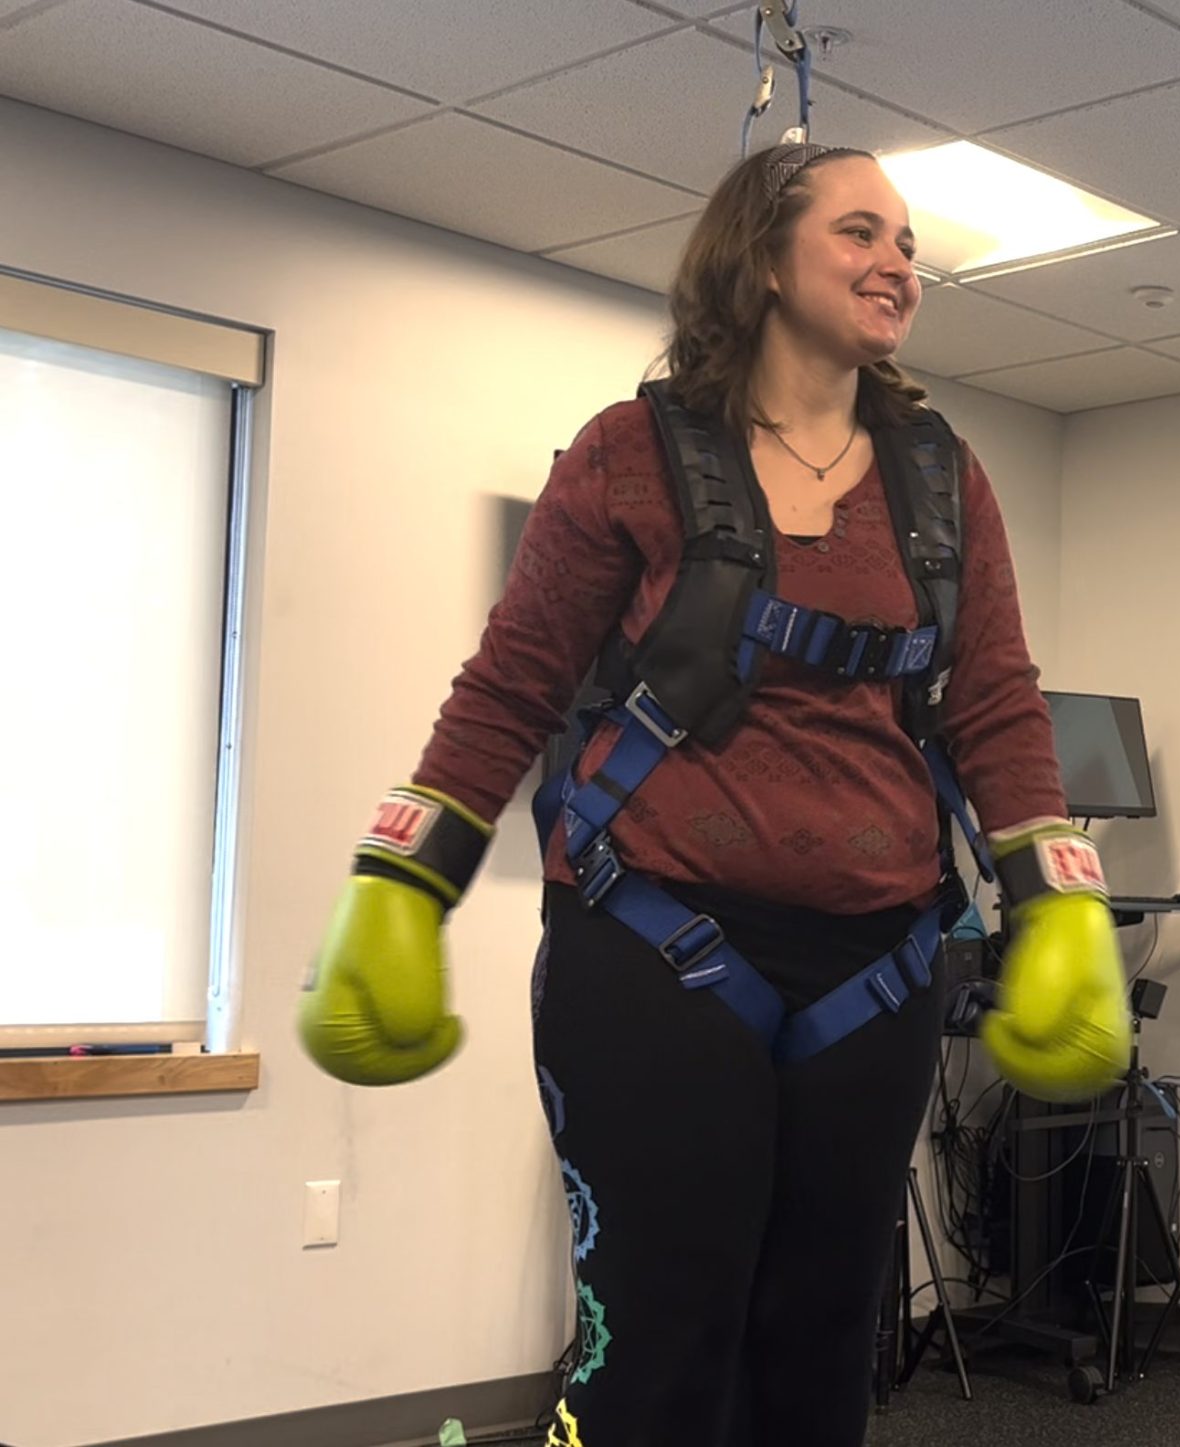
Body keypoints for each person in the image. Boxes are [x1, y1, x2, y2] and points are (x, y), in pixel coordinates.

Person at [296, 142, 1132, 1447]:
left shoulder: (939, 477)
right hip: (653, 947)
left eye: (910, 245)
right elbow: (513, 686)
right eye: (862, 233)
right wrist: (402, 881)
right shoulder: (631, 456)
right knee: (654, 1353)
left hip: (880, 967)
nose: (897, 264)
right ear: (759, 257)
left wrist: (1062, 903)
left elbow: (994, 700)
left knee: (822, 1352)